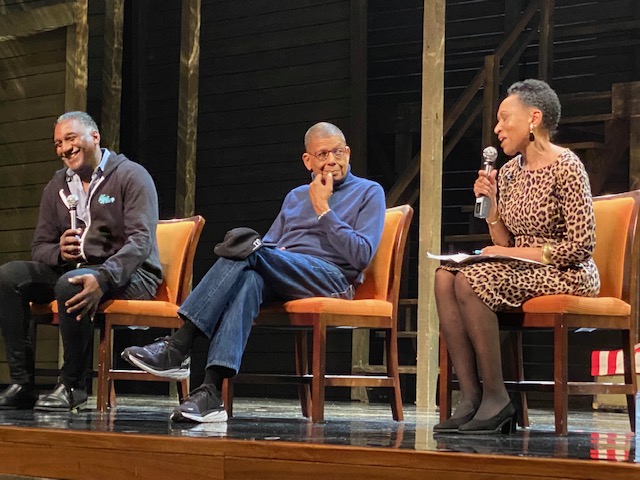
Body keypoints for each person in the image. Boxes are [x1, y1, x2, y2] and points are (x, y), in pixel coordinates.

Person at [122, 121, 386, 423]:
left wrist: (323, 210)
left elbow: (361, 254)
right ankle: (211, 391)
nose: (331, 160)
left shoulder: (369, 192)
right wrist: (273, 251)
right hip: (285, 272)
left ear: (348, 153)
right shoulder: (295, 196)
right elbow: (269, 244)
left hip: (332, 277)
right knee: (249, 277)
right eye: (322, 154)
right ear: (307, 161)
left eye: (337, 152)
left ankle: (179, 344)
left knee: (247, 249)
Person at [433, 79, 600, 434]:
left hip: (566, 269)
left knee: (472, 280)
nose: (497, 128)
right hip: (518, 266)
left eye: (504, 118)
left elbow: (581, 245)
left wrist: (513, 254)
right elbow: (503, 239)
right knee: (445, 275)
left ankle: (497, 396)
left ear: (533, 118)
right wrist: (492, 207)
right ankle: (471, 395)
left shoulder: (567, 166)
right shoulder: (509, 172)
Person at [0, 111, 162, 411]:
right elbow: (39, 247)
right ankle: (22, 384)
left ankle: (73, 384)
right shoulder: (58, 185)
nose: (64, 148)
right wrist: (59, 252)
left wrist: (104, 277)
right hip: (76, 269)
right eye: (58, 143)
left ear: (95, 137)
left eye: (70, 138)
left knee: (70, 283)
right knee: (9, 277)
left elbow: (140, 242)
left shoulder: (130, 175)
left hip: (132, 274)